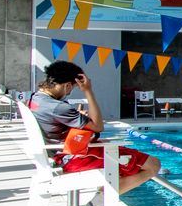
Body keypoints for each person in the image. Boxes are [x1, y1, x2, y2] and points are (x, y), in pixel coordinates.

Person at [22, 61, 161, 198]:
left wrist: (77, 119)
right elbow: (98, 125)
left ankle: (99, 204)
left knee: (124, 163)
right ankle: (98, 205)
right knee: (153, 165)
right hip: (71, 158)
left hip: (58, 154)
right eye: (73, 88)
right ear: (67, 85)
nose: (70, 92)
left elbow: (55, 123)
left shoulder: (35, 99)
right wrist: (88, 91)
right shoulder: (58, 107)